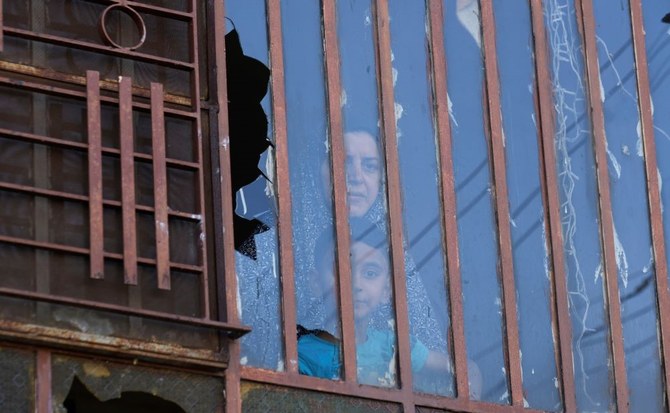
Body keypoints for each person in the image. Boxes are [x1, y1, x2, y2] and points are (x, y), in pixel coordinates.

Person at [298, 219, 454, 388]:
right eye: (341, 270)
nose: (356, 284)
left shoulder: (392, 346)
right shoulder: (303, 355)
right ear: (316, 283)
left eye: (370, 273)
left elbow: (467, 370)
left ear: (386, 289)